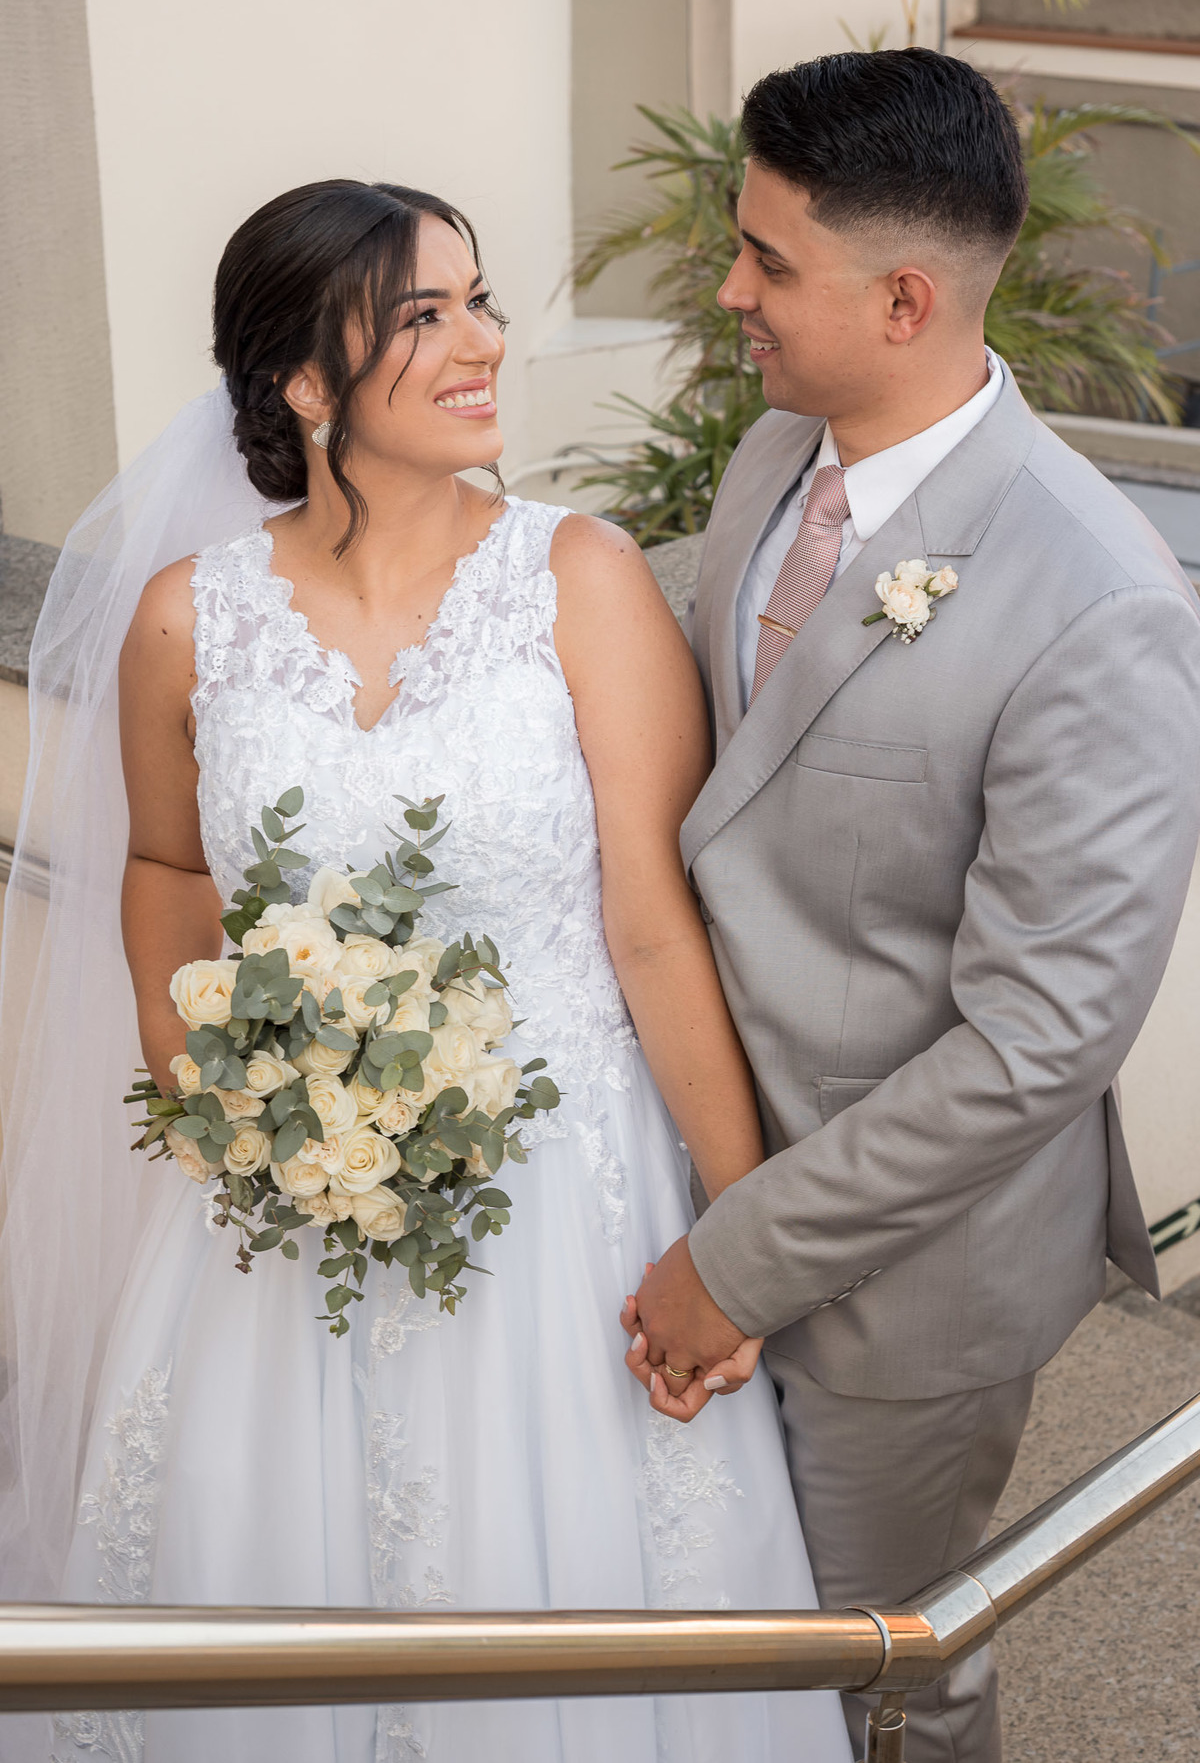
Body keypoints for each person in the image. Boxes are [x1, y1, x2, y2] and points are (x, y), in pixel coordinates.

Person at [0, 179, 853, 1763]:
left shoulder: (579, 578)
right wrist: (216, 1094)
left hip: (561, 1209)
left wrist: (744, 1237)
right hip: (278, 1218)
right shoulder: (190, 621)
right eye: (423, 316)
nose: (484, 345)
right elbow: (173, 869)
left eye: (481, 302)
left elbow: (650, 921)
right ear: (306, 384)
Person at [625, 49, 1200, 1763]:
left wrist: (737, 1261)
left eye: (765, 261)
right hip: (704, 1165)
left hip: (906, 1284)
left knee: (892, 1666)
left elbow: (1037, 1040)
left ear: (903, 295)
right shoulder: (770, 460)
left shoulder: (1098, 601)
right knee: (737, 1637)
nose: (728, 288)